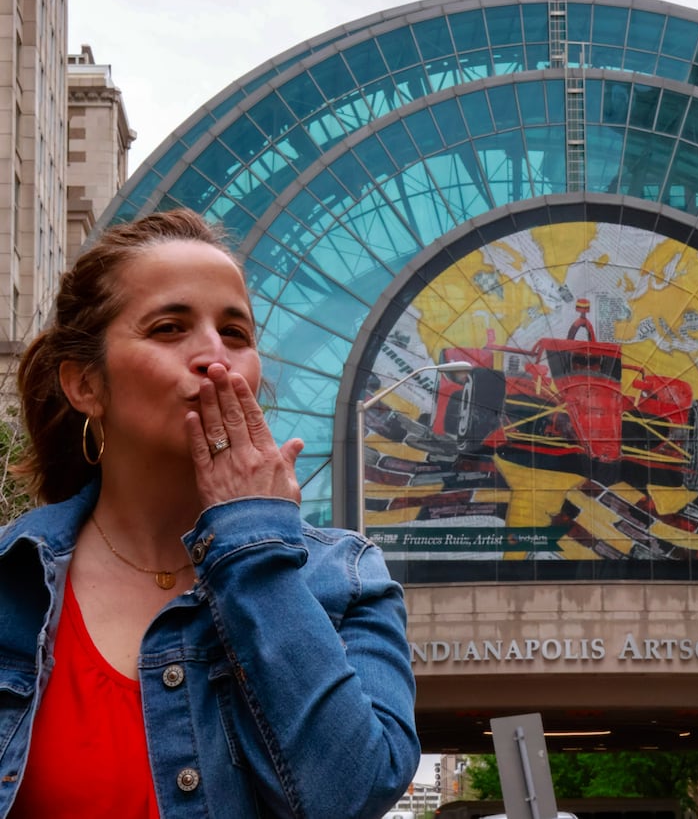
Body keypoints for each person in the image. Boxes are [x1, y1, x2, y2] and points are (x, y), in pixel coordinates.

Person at [0, 208, 420, 818]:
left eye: (236, 334)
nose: (213, 358)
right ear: (86, 384)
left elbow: (350, 796)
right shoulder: (13, 581)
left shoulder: (346, 579)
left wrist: (252, 543)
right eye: (170, 328)